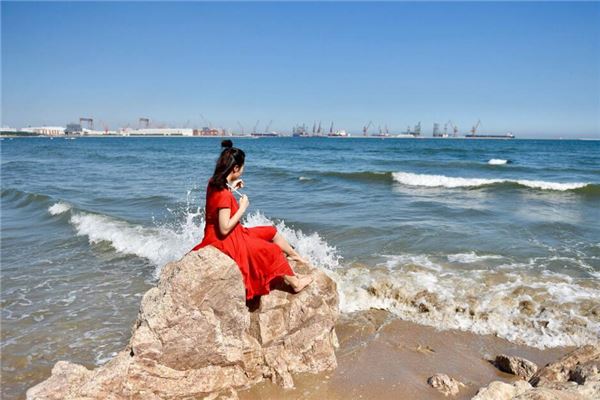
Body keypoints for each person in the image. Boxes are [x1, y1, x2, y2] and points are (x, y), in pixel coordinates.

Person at [191, 139, 313, 299]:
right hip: (226, 241)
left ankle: (294, 255)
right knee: (273, 250)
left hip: (233, 234)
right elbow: (224, 228)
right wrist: (242, 208)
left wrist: (232, 187)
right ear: (235, 168)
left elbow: (219, 203)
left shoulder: (214, 183)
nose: (243, 170)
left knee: (271, 231)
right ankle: (295, 283)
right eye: (242, 167)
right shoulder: (223, 194)